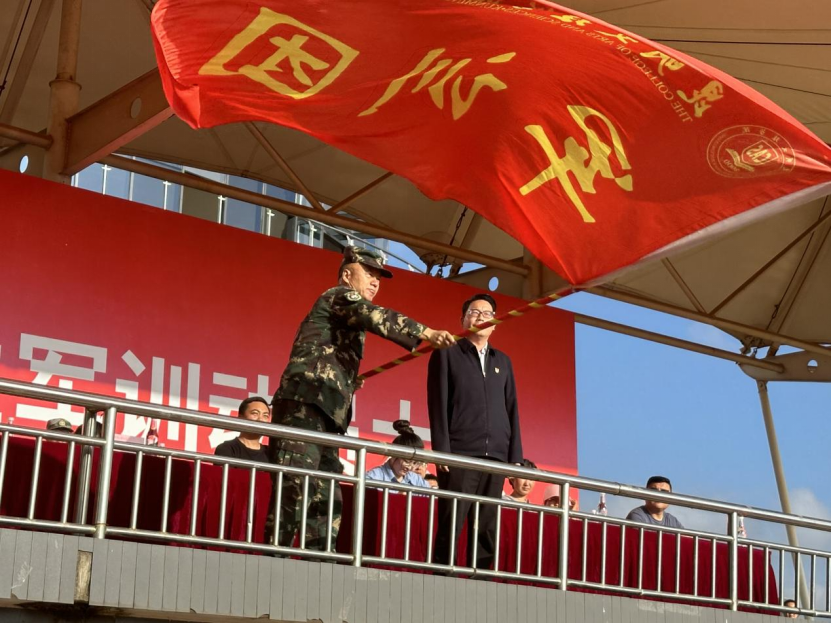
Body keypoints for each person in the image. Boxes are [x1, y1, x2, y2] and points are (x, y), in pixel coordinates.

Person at [266, 245, 455, 551]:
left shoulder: (346, 316)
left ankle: (321, 563)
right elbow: (375, 316)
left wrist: (346, 381)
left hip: (327, 414)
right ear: (346, 275)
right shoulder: (339, 296)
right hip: (304, 406)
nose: (375, 281)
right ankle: (273, 559)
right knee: (295, 487)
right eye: (368, 273)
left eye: (378, 277)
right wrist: (426, 332)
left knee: (327, 493)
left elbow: (326, 352)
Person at [427, 293, 523, 569]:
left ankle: (482, 580)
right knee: (452, 519)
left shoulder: (502, 361)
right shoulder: (447, 353)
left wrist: (515, 457)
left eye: (486, 313)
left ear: (495, 324)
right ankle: (442, 577)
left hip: (496, 456)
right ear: (463, 320)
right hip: (460, 453)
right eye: (474, 312)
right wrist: (442, 451)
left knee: (487, 525)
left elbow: (512, 409)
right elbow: (437, 403)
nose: (480, 317)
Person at [365, 420, 431, 488]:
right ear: (394, 454)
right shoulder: (373, 478)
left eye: (415, 463)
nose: (410, 467)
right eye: (407, 461)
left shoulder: (418, 481)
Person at [214, 396, 270, 463]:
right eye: (255, 413)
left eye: (265, 416)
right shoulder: (227, 449)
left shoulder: (271, 454)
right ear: (241, 418)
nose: (260, 419)